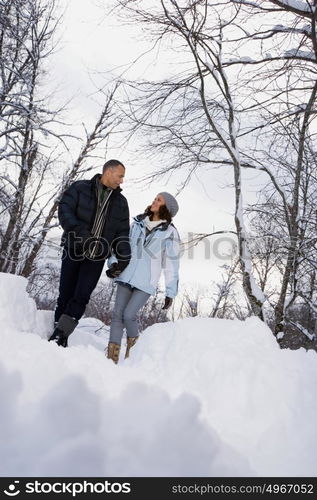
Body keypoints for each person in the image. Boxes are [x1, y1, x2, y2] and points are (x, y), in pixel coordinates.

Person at [49, 159, 131, 347]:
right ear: (108, 172)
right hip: (74, 248)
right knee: (66, 292)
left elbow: (122, 234)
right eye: (120, 176)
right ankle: (57, 324)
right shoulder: (80, 188)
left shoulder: (121, 202)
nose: (122, 181)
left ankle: (61, 333)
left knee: (82, 296)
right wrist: (81, 234)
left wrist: (124, 259)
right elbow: (65, 210)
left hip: (97, 256)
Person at [105, 192, 180, 364]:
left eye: (159, 200)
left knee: (129, 315)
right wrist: (114, 263)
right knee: (117, 315)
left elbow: (171, 264)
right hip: (126, 274)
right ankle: (111, 359)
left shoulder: (170, 233)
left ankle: (133, 357)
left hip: (146, 281)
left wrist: (170, 292)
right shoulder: (137, 223)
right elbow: (121, 244)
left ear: (166, 208)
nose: (154, 200)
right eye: (154, 197)